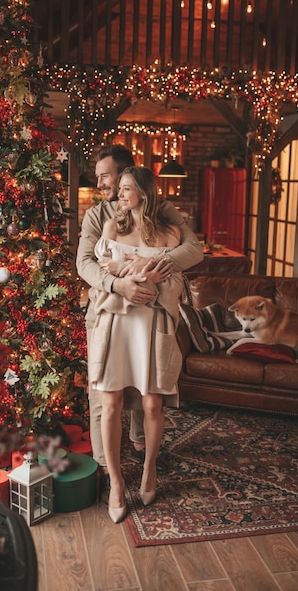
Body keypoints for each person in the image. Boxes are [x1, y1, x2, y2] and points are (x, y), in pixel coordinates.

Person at [76, 144, 203, 502]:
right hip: (108, 311)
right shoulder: (99, 217)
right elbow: (86, 264)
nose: (102, 182)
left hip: (149, 314)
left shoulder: (163, 211)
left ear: (127, 175)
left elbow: (193, 250)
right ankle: (107, 469)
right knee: (106, 395)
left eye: (107, 175)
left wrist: (153, 265)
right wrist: (119, 283)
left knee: (146, 392)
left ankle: (142, 449)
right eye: (100, 176)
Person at [88, 165, 184, 523]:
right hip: (117, 322)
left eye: (127, 188)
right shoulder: (113, 227)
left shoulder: (171, 233)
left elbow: (174, 283)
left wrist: (133, 268)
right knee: (110, 402)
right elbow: (103, 271)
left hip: (152, 323)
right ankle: (115, 482)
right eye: (121, 188)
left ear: (144, 191)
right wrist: (137, 272)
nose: (120, 194)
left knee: (152, 403)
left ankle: (149, 470)